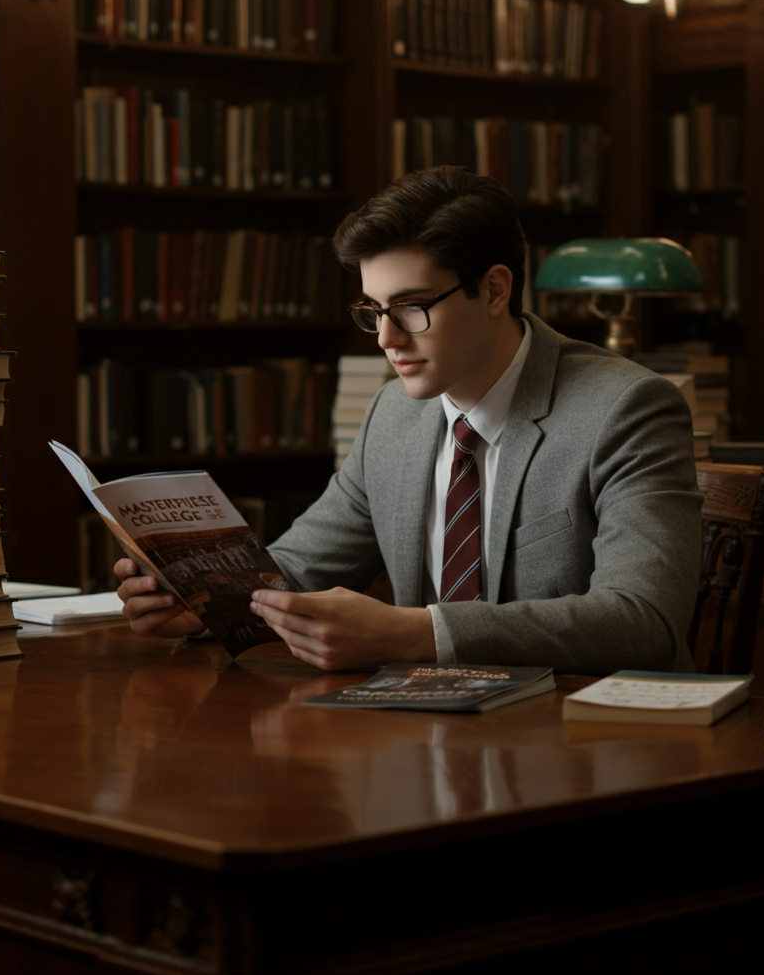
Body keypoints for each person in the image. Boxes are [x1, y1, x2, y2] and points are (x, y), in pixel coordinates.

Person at [115, 166, 702, 674]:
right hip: (422, 738)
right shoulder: (392, 414)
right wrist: (204, 602)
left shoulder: (625, 408)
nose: (387, 339)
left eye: (412, 308)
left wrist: (415, 633)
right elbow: (297, 569)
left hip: (586, 747)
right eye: (373, 310)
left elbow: (643, 619)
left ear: (494, 289)